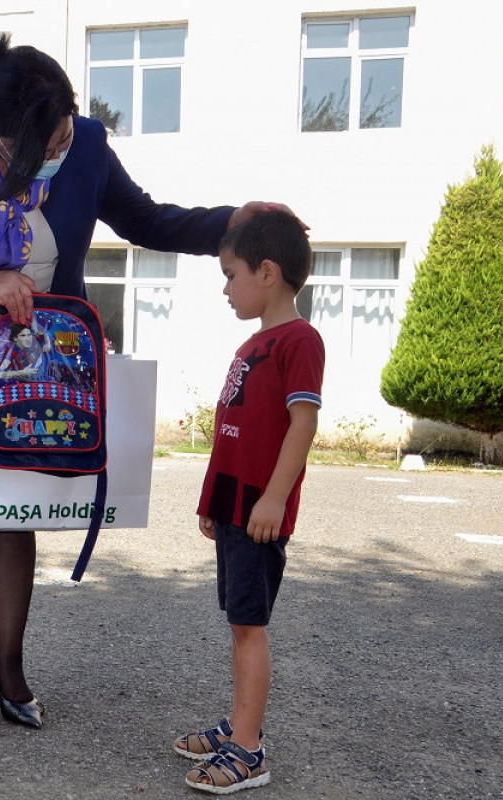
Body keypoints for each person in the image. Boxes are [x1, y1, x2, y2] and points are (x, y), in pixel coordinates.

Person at [0, 30, 301, 730]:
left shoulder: (89, 145)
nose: (53, 154)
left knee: (16, 503)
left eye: (61, 134)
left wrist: (235, 222)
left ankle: (6, 663)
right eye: (28, 152)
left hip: (39, 350)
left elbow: (147, 220)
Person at [175, 211, 323, 794]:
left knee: (249, 627)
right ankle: (239, 725)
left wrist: (274, 500)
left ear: (267, 272)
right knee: (239, 624)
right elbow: (231, 428)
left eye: (231, 275)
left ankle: (250, 749)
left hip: (260, 516)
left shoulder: (299, 340)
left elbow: (302, 425)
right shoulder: (252, 343)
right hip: (235, 509)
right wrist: (213, 499)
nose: (225, 288)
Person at [0, 320, 51, 384]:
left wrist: (48, 343)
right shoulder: (11, 353)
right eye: (23, 336)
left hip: (41, 377)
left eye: (29, 335)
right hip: (22, 383)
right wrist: (21, 373)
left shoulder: (33, 340)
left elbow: (45, 334)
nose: (28, 339)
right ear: (15, 338)